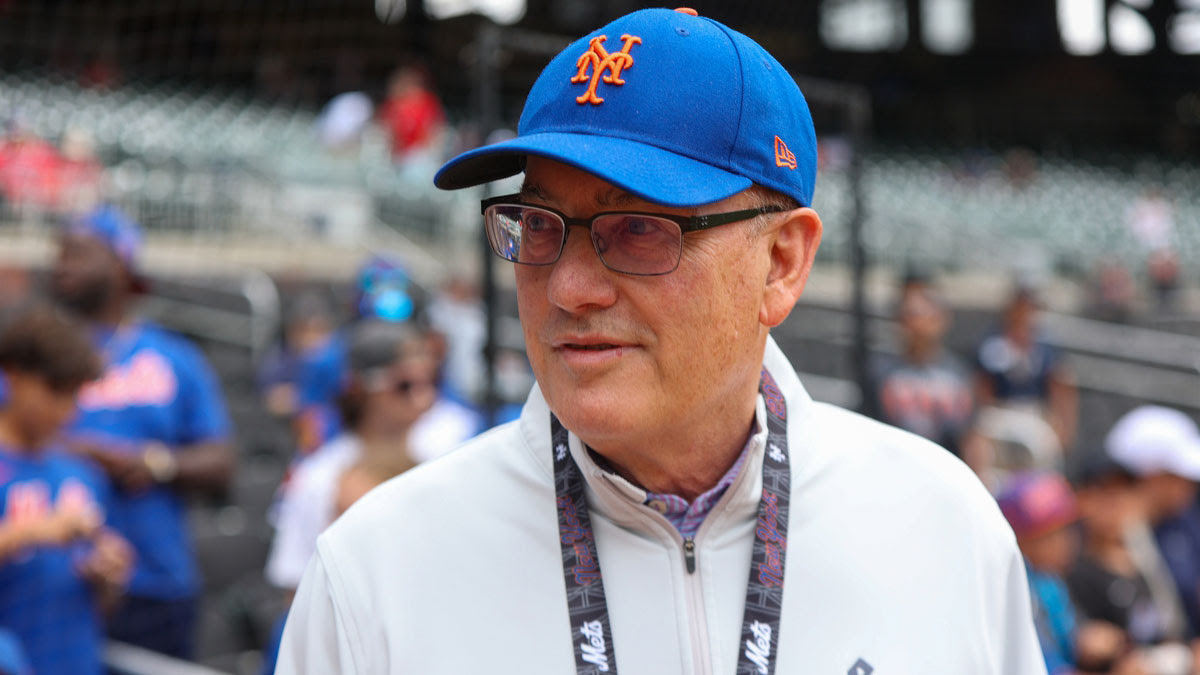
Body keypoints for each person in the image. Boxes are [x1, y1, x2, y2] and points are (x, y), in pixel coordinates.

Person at [279, 9, 1045, 673]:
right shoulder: (375, 570)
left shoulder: (942, 524)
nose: (569, 288)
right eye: (540, 225)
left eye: (641, 229)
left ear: (780, 264)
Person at [49, 206, 234, 660]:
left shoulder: (173, 356)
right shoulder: (34, 352)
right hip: (53, 580)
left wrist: (152, 463)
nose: (63, 266)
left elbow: (221, 459)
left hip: (155, 580)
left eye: (79, 254)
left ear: (119, 263)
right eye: (61, 255)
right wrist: (79, 453)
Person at [0, 305, 134, 675]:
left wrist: (108, 575)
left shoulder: (80, 474)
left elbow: (103, 608)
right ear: (14, 374)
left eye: (74, 395)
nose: (65, 410)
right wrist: (31, 531)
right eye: (55, 391)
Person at [998, 472, 1136, 674]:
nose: (1067, 542)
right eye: (1052, 534)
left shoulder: (1049, 579)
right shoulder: (1015, 586)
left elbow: (1072, 637)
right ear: (1023, 540)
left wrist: (1090, 641)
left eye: (1068, 529)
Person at [1106, 406, 1200, 640]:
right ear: (1152, 477)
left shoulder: (1183, 523)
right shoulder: (1106, 536)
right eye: (1179, 478)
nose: (1190, 488)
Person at [868, 275, 974, 456]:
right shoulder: (879, 371)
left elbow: (970, 436)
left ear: (941, 319)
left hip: (945, 466)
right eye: (908, 314)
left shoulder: (958, 372)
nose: (916, 324)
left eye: (922, 314)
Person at [975, 284, 1078, 451]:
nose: (1025, 313)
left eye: (1031, 307)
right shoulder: (992, 344)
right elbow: (983, 387)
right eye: (1021, 307)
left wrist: (1063, 429)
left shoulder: (1048, 346)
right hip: (1002, 411)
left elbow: (1061, 387)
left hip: (1036, 412)